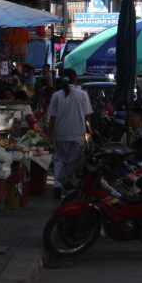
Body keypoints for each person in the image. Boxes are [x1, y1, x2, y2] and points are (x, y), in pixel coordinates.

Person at [48, 69, 93, 199]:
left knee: (59, 160)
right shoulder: (82, 94)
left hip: (60, 134)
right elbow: (87, 118)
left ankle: (58, 184)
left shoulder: (56, 95)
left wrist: (51, 135)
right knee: (72, 162)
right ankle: (68, 189)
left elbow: (52, 117)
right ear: (75, 79)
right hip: (78, 134)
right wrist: (88, 136)